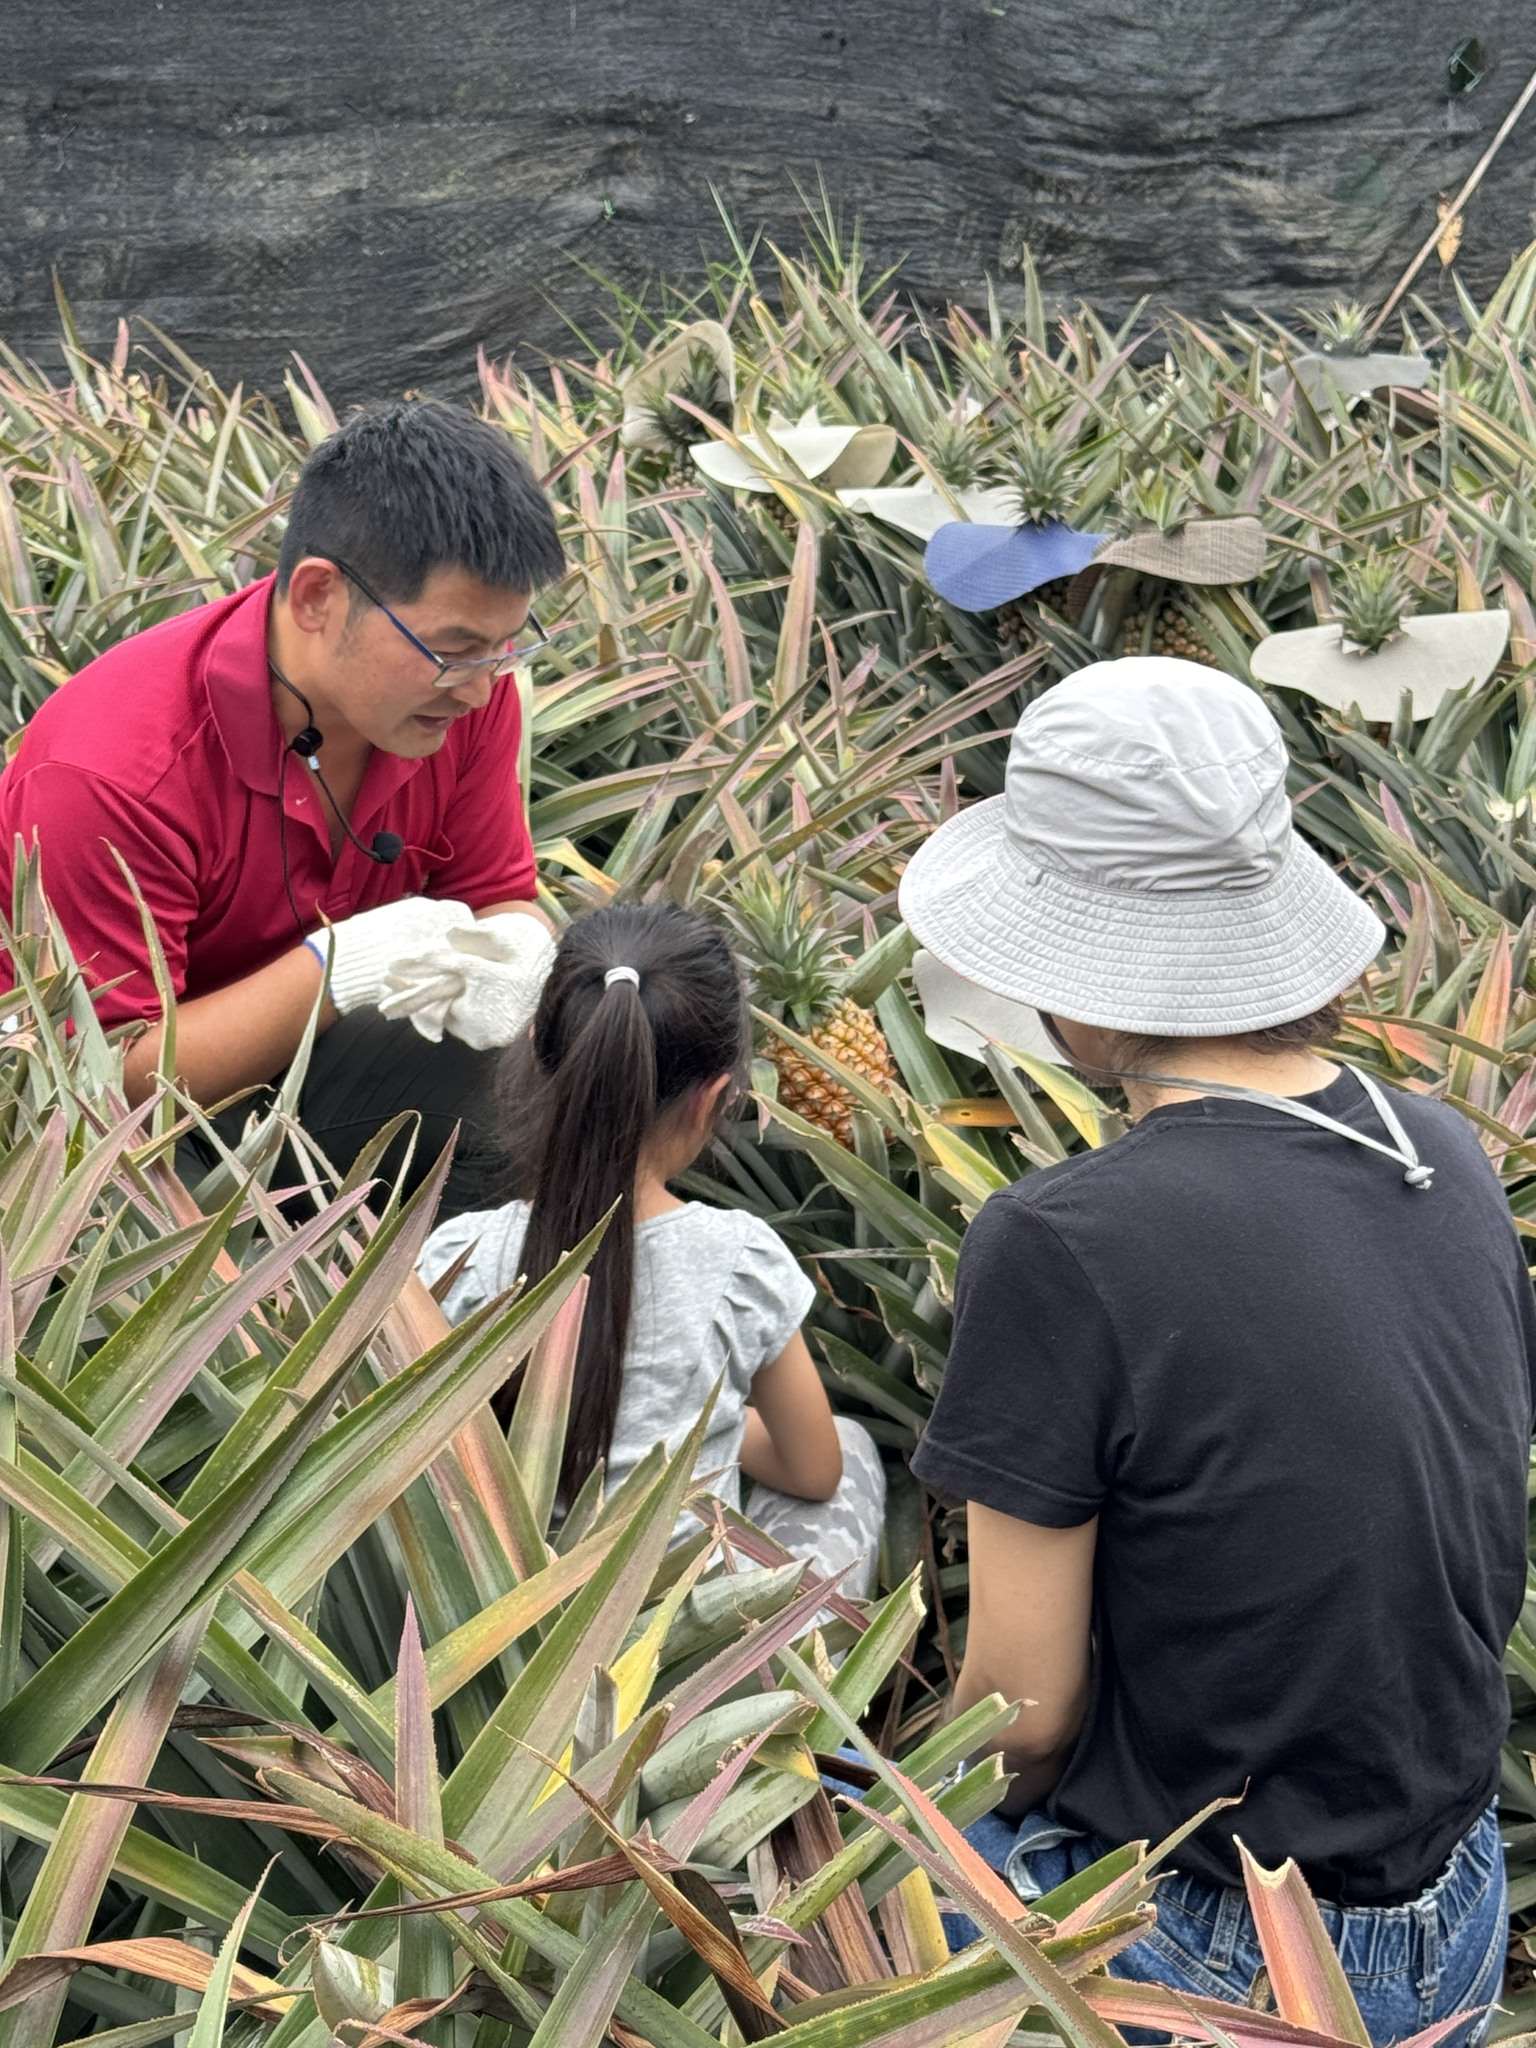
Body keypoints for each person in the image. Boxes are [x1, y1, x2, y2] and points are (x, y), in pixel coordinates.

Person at [899, 656, 1534, 2045]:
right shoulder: (1443, 1151)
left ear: (1080, 951)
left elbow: (1022, 1712)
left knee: (829, 1879)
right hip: (1455, 1891)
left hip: (1222, 1938)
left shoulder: (1061, 1240)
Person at [0, 398, 566, 1214]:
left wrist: (519, 944)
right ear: (315, 597)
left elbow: (497, 893)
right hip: (104, 1143)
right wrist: (344, 966)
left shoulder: (459, 704)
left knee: (610, 1076)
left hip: (316, 1072)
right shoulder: (113, 772)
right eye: (453, 650)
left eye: (505, 646)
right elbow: (101, 1079)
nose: (482, 686)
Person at [415, 901, 887, 1591]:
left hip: (501, 1648)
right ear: (712, 1098)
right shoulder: (739, 1263)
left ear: (540, 1055)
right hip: (693, 1663)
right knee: (850, 1448)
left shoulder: (454, 1261)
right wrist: (708, 1424)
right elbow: (812, 1471)